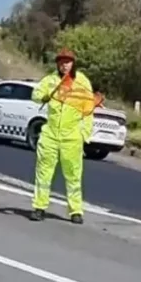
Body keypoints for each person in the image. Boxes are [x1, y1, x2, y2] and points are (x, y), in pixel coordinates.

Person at [29, 48, 94, 224]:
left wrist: (83, 135)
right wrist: (44, 96)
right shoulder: (50, 80)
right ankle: (39, 207)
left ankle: (75, 210)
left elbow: (88, 112)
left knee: (73, 176)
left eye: (67, 62)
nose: (64, 65)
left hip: (72, 137)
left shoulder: (82, 82)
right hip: (50, 134)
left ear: (73, 63)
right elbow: (35, 95)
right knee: (43, 174)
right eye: (61, 62)